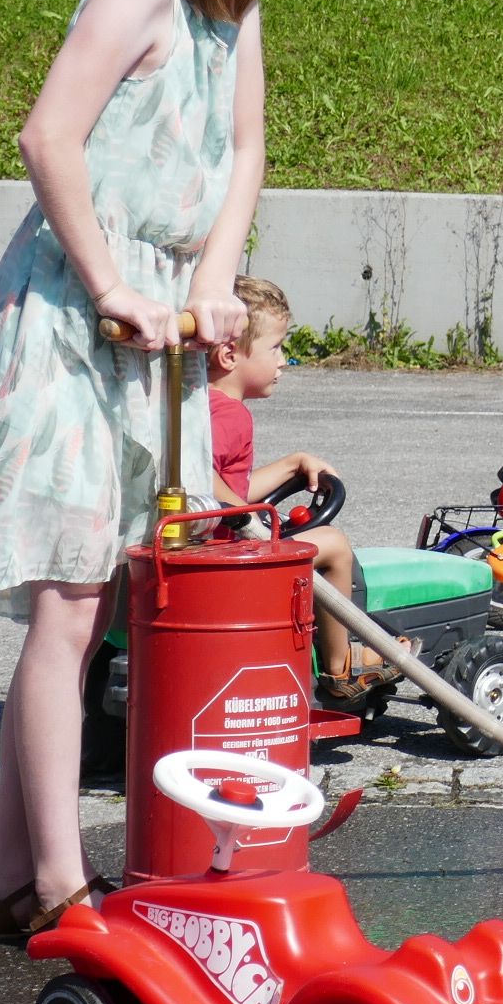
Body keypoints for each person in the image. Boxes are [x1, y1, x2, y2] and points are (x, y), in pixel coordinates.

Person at [0, 0, 302, 938]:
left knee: (105, 598)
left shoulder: (233, 14)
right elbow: (48, 137)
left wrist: (212, 283)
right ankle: (64, 889)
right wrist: (113, 284)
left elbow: (244, 151)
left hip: (155, 320)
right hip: (65, 315)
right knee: (68, 605)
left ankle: (8, 880)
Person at [204, 274, 379, 701]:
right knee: (334, 544)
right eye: (276, 347)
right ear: (229, 354)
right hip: (221, 560)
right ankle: (340, 668)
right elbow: (201, 478)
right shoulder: (229, 415)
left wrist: (290, 465)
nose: (283, 360)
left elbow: (226, 485)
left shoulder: (198, 404)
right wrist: (251, 521)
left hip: (207, 548)